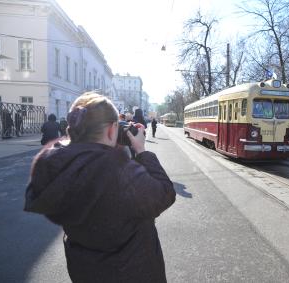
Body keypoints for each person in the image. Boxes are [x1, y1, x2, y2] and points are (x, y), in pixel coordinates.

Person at [24, 92, 175, 282]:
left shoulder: (58, 164)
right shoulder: (119, 171)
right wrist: (142, 151)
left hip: (85, 271)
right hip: (133, 271)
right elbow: (164, 194)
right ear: (112, 130)